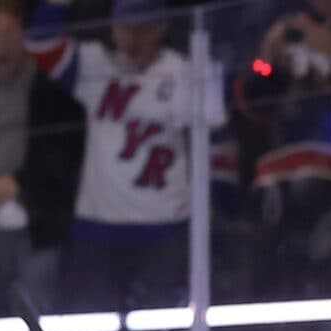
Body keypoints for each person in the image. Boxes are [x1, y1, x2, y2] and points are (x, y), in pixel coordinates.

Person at [50, 0, 224, 312]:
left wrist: (214, 200)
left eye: (143, 29)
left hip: (164, 226)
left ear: (161, 28)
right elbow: (41, 44)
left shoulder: (185, 70)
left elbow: (214, 138)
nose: (132, 39)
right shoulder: (95, 65)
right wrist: (55, 6)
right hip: (98, 226)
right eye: (125, 29)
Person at [0, 0, 83, 317]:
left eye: (7, 34)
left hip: (37, 228)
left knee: (35, 308)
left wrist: (21, 183)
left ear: (24, 35)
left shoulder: (50, 88)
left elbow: (64, 156)